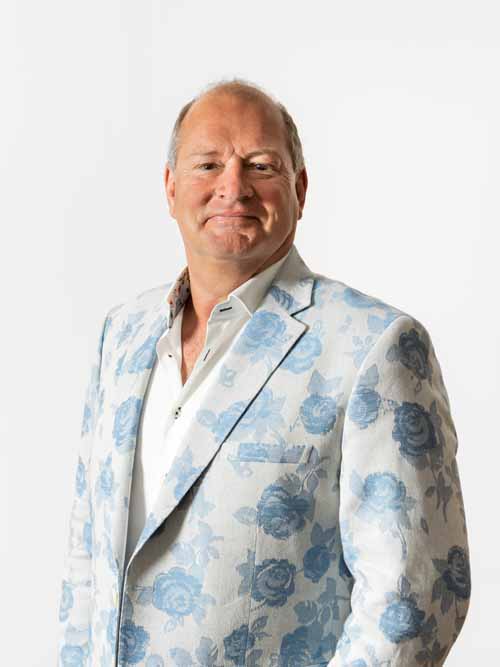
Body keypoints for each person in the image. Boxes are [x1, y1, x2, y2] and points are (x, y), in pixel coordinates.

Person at [57, 78, 471, 667]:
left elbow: (412, 600)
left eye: (260, 165)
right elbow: (87, 557)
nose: (233, 186)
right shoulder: (122, 335)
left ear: (299, 189)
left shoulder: (372, 347)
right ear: (170, 187)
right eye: (208, 164)